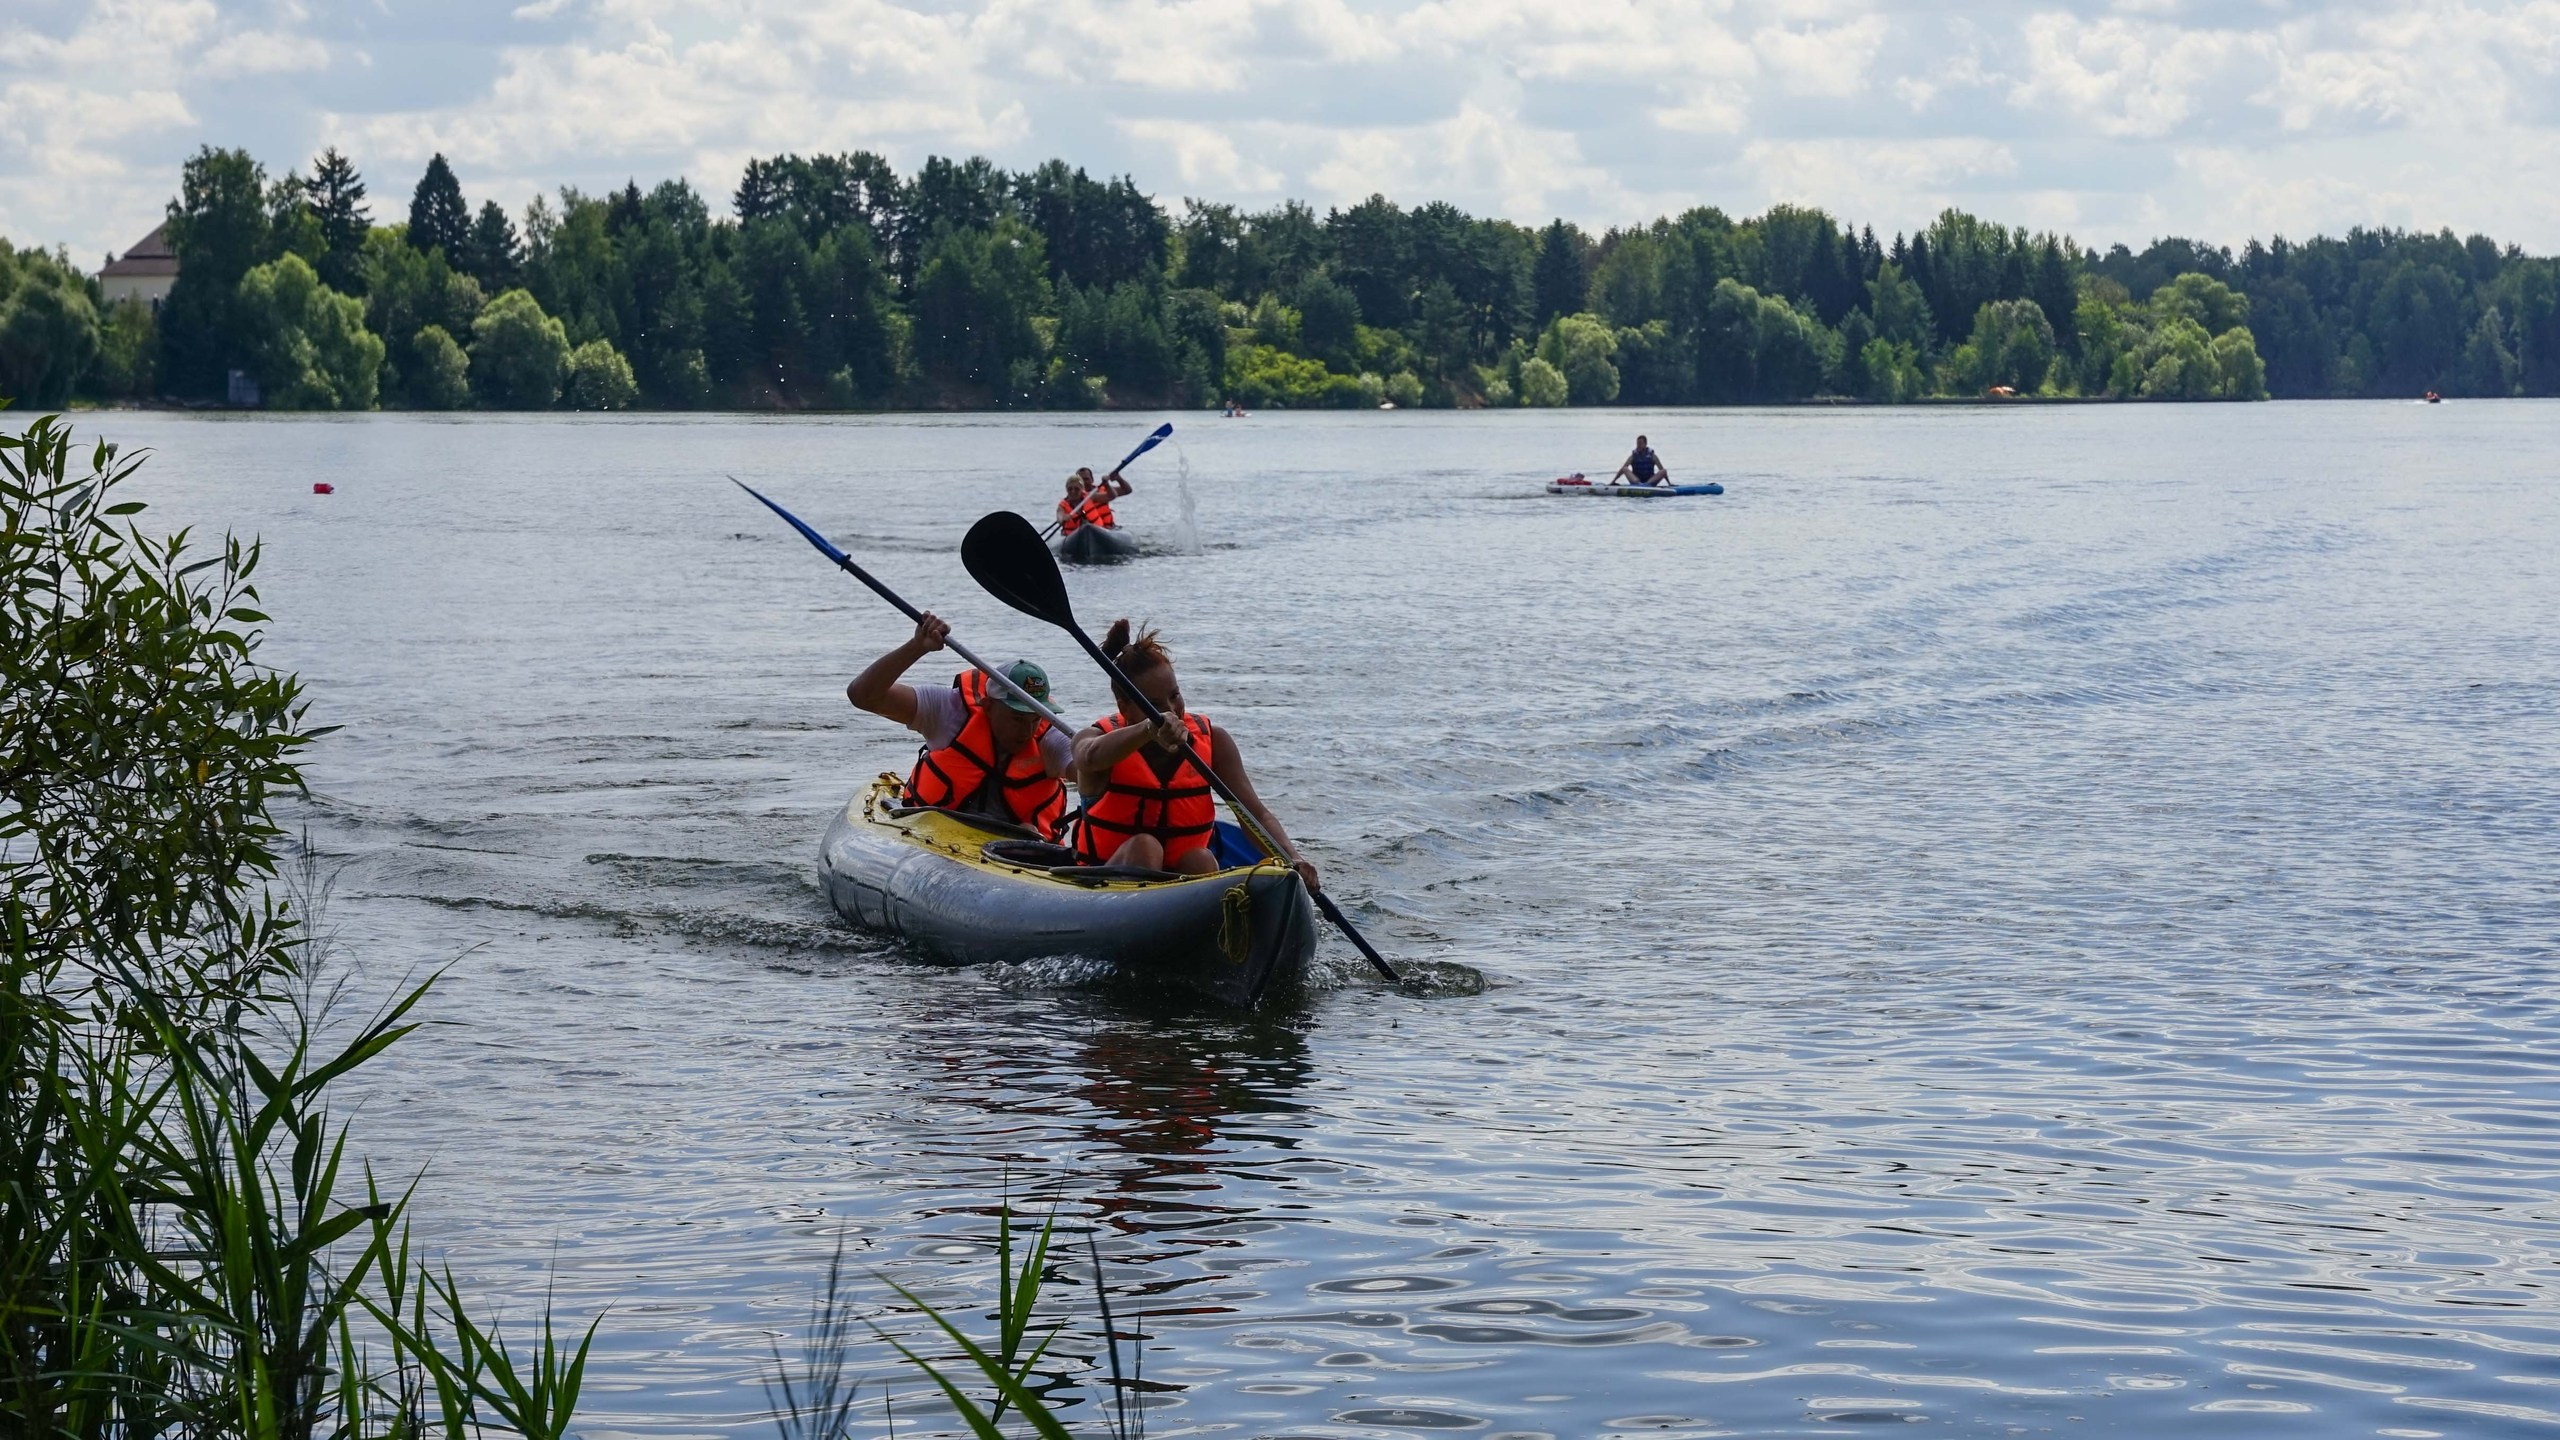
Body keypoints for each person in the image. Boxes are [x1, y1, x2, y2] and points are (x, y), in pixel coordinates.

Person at [1072, 619, 1319, 891]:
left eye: (1174, 696)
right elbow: (1087, 757)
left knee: (1200, 858)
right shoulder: (1097, 739)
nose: (1171, 710)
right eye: (1153, 705)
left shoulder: (1214, 741)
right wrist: (1147, 729)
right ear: (1124, 707)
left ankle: (1204, 923)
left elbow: (1255, 813)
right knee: (1146, 846)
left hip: (1180, 886)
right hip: (1106, 885)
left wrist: (1292, 857)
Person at [847, 613, 1072, 841]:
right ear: (988, 705)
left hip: (1019, 850)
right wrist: (917, 646)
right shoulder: (949, 711)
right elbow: (863, 695)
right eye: (1016, 718)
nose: (1027, 731)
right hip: (939, 838)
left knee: (1028, 831)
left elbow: (1089, 769)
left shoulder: (1051, 738)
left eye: (1035, 719)